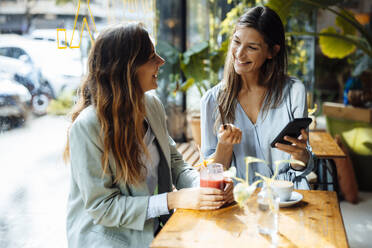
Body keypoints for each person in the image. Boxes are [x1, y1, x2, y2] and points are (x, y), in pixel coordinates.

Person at [64, 23, 234, 248]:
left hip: (154, 231)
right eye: (152, 56)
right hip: (109, 240)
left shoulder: (151, 105)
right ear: (127, 68)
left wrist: (207, 187)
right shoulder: (87, 127)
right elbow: (102, 208)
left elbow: (176, 165)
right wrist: (173, 199)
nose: (161, 62)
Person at [201, 6, 314, 189]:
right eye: (236, 42)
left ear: (272, 51)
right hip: (239, 200)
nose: (239, 54)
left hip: (286, 198)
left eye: (252, 47)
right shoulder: (212, 100)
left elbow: (301, 168)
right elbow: (212, 175)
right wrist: (224, 146)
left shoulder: (294, 92)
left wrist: (301, 156)